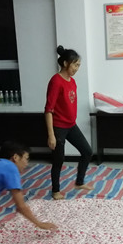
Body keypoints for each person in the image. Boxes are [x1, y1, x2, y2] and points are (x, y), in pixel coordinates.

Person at [45, 45, 93, 200]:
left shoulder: (72, 81)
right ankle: (55, 191)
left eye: (78, 65)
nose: (77, 69)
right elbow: (48, 109)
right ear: (65, 63)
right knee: (58, 160)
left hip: (71, 125)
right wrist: (51, 135)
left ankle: (79, 182)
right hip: (58, 127)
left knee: (87, 151)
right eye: (75, 65)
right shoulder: (56, 81)